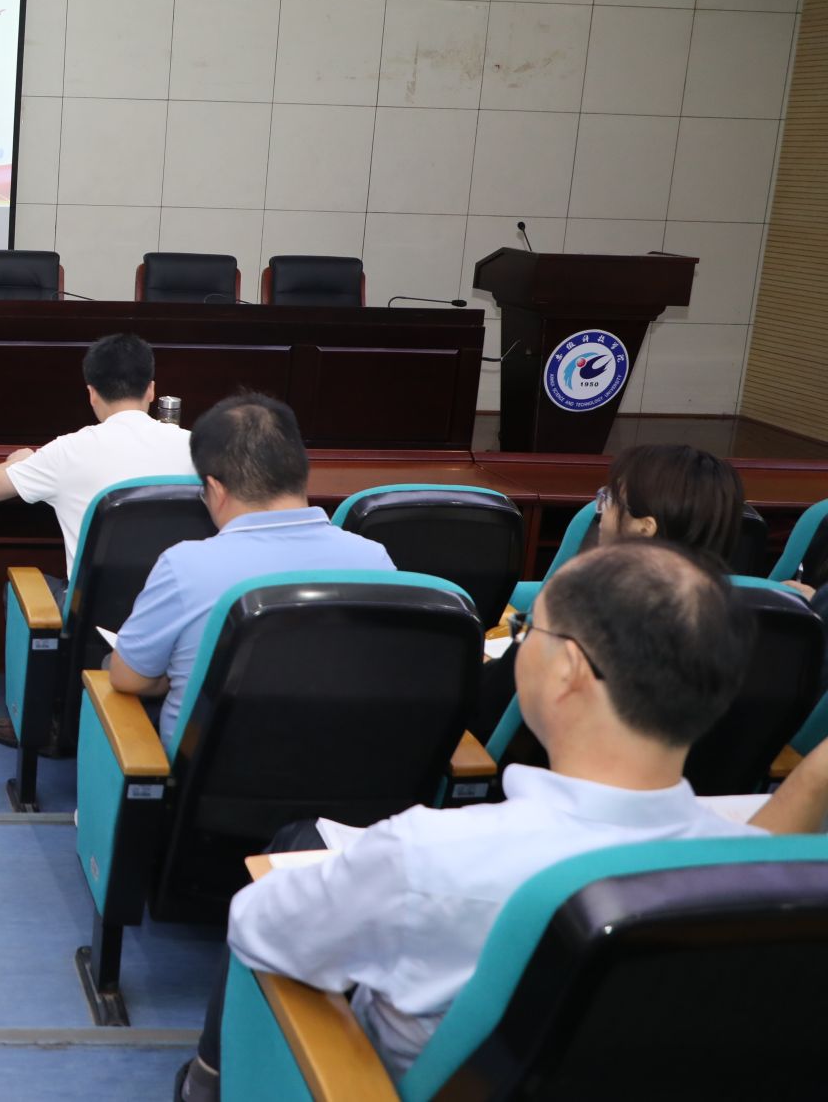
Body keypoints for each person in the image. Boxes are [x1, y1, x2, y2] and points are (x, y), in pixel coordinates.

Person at [173, 540, 828, 1099]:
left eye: (530, 629)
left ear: (568, 669)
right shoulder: (756, 873)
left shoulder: (428, 855)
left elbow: (259, 927)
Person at [108, 392, 394, 738]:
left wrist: (171, 677)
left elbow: (128, 678)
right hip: (345, 761)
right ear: (301, 472)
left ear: (215, 489)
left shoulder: (185, 566)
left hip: (212, 770)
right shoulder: (375, 561)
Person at [0, 333, 195, 750]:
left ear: (92, 393)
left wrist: (22, 460)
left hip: (97, 621)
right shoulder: (198, 448)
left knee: (20, 591)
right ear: (152, 390)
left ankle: (47, 719)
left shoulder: (68, 451)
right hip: (177, 617)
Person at [473, 443, 748, 737]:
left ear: (645, 528)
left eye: (610, 498)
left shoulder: (584, 610)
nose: (601, 510)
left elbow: (486, 706)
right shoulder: (736, 620)